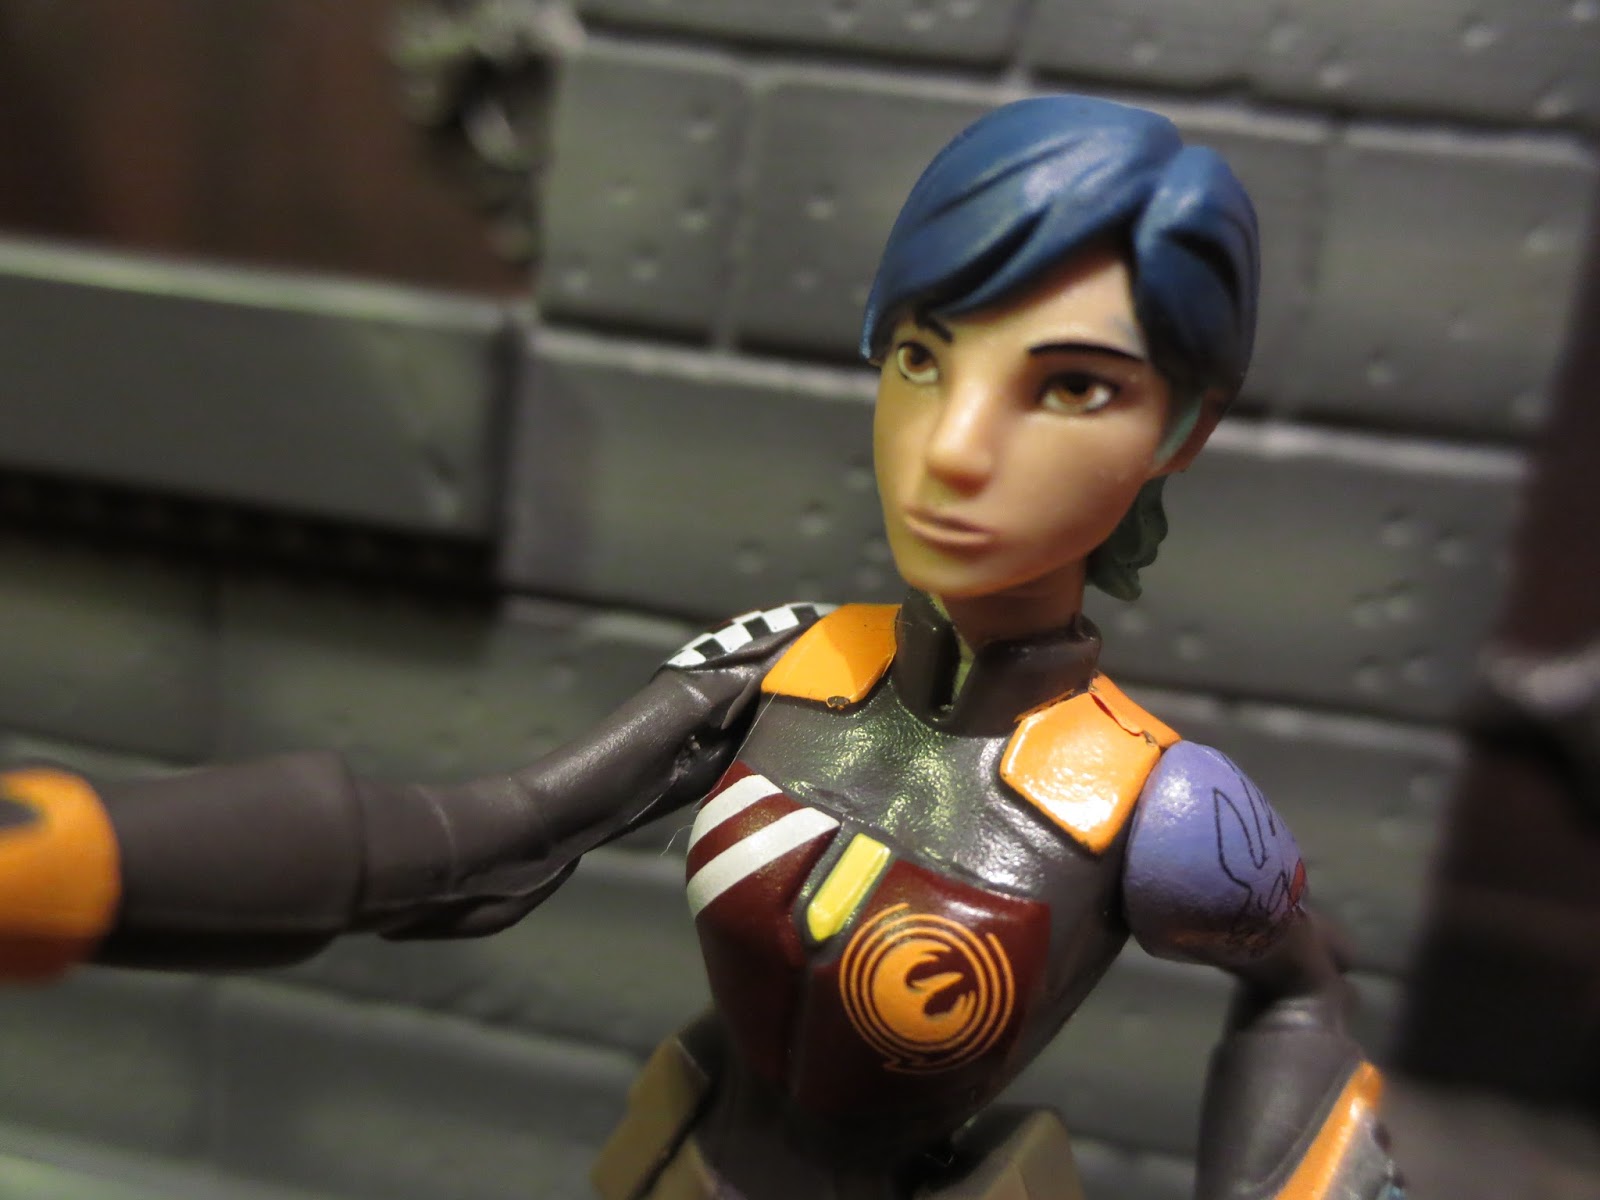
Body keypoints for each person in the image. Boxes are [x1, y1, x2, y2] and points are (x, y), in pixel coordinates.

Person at [0, 95, 1400, 1200]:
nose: (956, 450)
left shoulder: (1157, 809)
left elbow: (1301, 997)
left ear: (1182, 428)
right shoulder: (787, 666)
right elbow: (495, 836)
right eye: (922, 356)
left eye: (1074, 386)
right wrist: (88, 864)